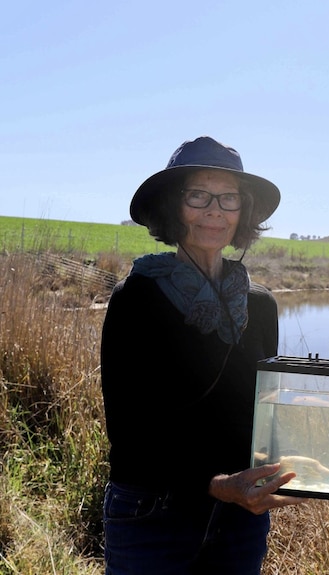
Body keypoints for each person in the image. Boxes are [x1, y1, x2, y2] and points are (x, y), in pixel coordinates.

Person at [100, 136, 303, 574]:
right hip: (151, 513)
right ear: (174, 207)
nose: (215, 210)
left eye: (229, 198)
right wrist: (216, 484)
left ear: (243, 212)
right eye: (199, 195)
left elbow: (263, 413)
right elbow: (129, 431)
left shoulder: (261, 305)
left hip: (239, 521)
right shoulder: (136, 299)